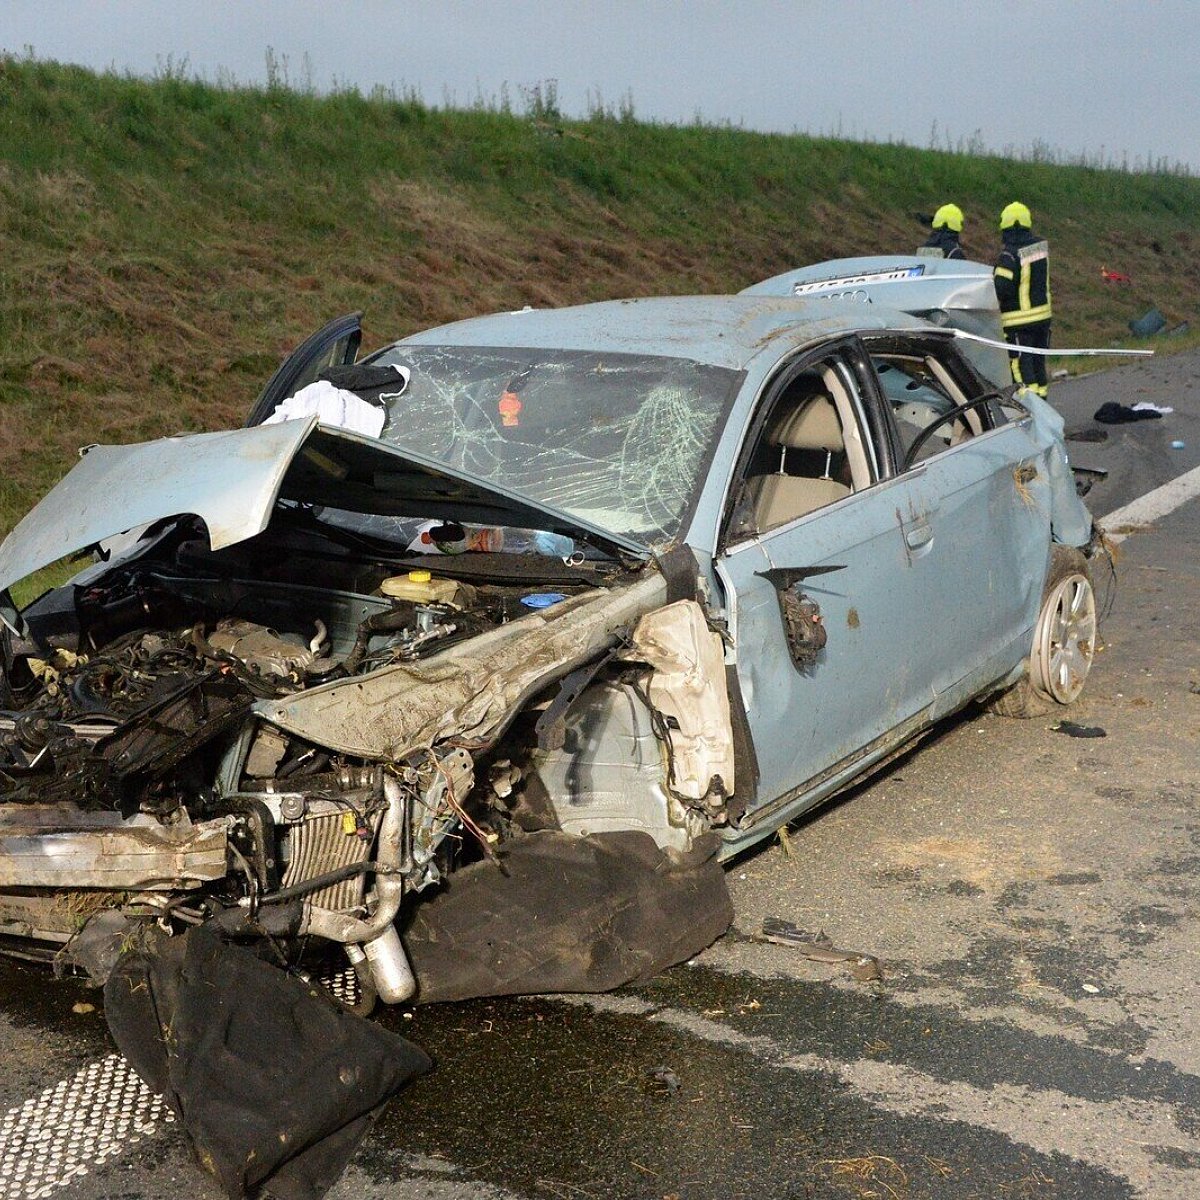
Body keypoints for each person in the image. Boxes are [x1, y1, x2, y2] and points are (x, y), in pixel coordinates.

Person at [993, 202, 1052, 397]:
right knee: (1038, 364)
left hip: (1018, 322)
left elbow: (1000, 287)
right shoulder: (1040, 249)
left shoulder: (1009, 255)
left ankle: (1028, 408)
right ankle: (1042, 403)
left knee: (1020, 366)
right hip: (1043, 319)